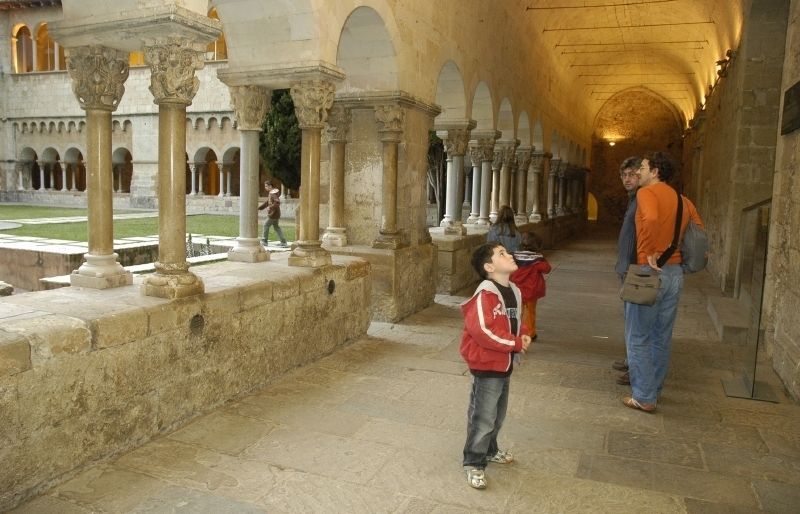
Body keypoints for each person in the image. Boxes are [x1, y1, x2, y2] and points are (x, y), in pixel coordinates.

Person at [622, 152, 704, 412]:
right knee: (661, 336)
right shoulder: (683, 200)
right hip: (675, 273)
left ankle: (644, 396)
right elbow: (699, 232)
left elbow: (653, 219)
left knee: (637, 336)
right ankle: (653, 390)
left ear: (655, 171)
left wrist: (649, 252)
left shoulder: (646, 193)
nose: (639, 172)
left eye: (643, 167)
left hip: (649, 271)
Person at [460, 242, 532, 489]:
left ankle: (490, 450)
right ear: (489, 267)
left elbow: (516, 319)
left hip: (504, 363)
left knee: (497, 414)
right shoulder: (485, 294)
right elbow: (481, 331)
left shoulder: (513, 289)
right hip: (487, 364)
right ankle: (474, 462)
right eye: (502, 253)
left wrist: (523, 334)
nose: (509, 254)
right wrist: (514, 343)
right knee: (483, 417)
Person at [612, 156, 642, 386]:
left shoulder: (643, 198)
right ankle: (631, 360)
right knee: (630, 318)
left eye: (632, 174)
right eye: (624, 175)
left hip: (636, 269)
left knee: (637, 321)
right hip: (628, 268)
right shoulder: (634, 198)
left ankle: (637, 369)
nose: (627, 179)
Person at [510, 232, 551, 341]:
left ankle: (515, 331)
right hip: (531, 291)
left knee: (517, 311)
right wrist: (543, 259)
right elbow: (547, 269)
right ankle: (529, 333)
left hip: (516, 289)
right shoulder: (537, 260)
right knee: (530, 312)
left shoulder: (515, 257)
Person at [258, 180, 288, 247]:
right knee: (276, 227)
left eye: (266, 186)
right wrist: (259, 208)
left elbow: (277, 202)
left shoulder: (273, 193)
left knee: (266, 225)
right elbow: (267, 202)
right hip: (276, 213)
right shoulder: (272, 193)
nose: (265, 187)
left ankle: (264, 241)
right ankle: (283, 242)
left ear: (270, 186)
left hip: (273, 214)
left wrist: (270, 207)